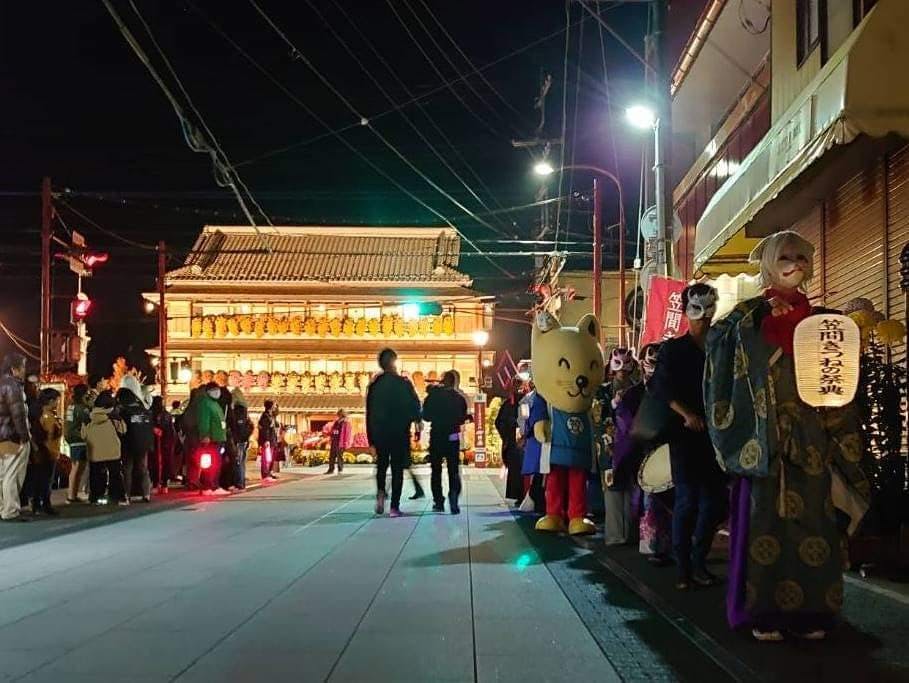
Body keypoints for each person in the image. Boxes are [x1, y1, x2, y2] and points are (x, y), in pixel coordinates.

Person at [706, 231, 870, 642]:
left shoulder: (823, 321)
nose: (794, 263)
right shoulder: (745, 317)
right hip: (762, 440)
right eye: (785, 256)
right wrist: (759, 321)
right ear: (767, 263)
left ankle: (814, 612)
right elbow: (717, 350)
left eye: (801, 256)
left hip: (813, 440)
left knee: (816, 524)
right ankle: (763, 613)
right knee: (764, 524)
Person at [650, 283, 728, 590]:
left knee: (715, 501)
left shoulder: (721, 347)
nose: (704, 317)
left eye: (709, 309)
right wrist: (686, 414)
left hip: (716, 435)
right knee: (688, 500)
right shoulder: (673, 349)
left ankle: (698, 561)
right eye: (697, 309)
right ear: (685, 312)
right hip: (684, 435)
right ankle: (683, 567)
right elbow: (661, 387)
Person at [611, 343, 672, 565]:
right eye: (650, 360)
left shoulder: (670, 390)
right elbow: (624, 422)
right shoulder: (632, 394)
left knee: (669, 499)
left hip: (668, 448)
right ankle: (652, 545)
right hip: (642, 450)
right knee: (649, 497)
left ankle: (670, 545)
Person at [366, 348, 421, 517]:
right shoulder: (403, 383)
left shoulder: (375, 386)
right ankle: (394, 507)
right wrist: (417, 422)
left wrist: (371, 439)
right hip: (399, 432)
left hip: (380, 432)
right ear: (393, 362)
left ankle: (381, 492)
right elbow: (414, 405)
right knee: (397, 469)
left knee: (381, 465)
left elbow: (369, 413)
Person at [600, 349, 639, 545]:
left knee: (633, 491)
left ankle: (631, 534)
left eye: (626, 366)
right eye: (618, 366)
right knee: (613, 490)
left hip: (634, 445)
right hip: (611, 446)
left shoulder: (638, 389)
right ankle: (615, 535)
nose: (622, 370)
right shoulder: (604, 390)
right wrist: (614, 403)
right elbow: (598, 417)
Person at [422, 370, 469, 513]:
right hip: (453, 436)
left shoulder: (433, 396)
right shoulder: (459, 399)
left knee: (436, 470)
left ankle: (438, 502)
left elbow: (426, 416)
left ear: (443, 382)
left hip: (437, 435)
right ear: (454, 383)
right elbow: (462, 418)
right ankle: (453, 498)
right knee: (453, 470)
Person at [0, 354, 32, 522]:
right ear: (14, 369)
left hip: (1, 437)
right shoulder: (13, 386)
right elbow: (18, 414)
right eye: (23, 367)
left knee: (2, 474)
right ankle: (10, 510)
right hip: (12, 436)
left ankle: (2, 508)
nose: (24, 371)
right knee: (13, 474)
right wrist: (24, 437)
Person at [83, 391, 126, 505]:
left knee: (96, 475)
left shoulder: (89, 417)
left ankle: (95, 497)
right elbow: (123, 430)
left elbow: (83, 434)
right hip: (113, 451)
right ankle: (116, 497)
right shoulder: (114, 417)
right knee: (115, 474)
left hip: (94, 451)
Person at [25, 388, 63, 516]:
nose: (58, 402)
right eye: (57, 400)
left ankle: (39, 504)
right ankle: (43, 504)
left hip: (46, 451)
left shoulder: (43, 413)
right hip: (47, 451)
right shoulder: (46, 415)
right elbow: (50, 434)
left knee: (42, 479)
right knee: (45, 480)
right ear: (51, 401)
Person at [117, 376, 154, 504]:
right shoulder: (143, 407)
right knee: (143, 468)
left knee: (127, 469)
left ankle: (126, 495)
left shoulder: (122, 408)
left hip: (128, 442)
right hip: (143, 442)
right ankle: (146, 493)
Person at [495, 377, 526, 504]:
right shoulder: (525, 402)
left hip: (514, 441)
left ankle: (519, 496)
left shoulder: (509, 403)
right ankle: (522, 496)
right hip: (521, 442)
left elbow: (499, 422)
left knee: (517, 469)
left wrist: (506, 435)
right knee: (520, 470)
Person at [196, 382, 227, 495]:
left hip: (218, 437)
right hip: (211, 439)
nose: (217, 392)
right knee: (210, 463)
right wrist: (205, 435)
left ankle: (213, 485)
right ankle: (208, 486)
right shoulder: (205, 404)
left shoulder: (215, 404)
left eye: (217, 390)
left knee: (216, 463)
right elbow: (204, 421)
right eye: (214, 390)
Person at [65, 384, 92, 503]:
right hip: (79, 438)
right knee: (77, 468)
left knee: (76, 467)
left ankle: (73, 494)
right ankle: (71, 495)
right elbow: (89, 419)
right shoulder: (82, 408)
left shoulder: (71, 406)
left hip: (71, 437)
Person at [228, 389, 253, 490]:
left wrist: (238, 439)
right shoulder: (244, 411)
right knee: (240, 462)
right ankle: (240, 482)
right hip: (242, 440)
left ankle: (239, 483)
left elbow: (239, 427)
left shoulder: (239, 411)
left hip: (239, 440)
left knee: (238, 462)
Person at [150, 396, 177, 490]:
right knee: (165, 462)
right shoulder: (167, 414)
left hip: (156, 442)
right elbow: (171, 430)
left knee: (155, 462)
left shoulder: (150, 413)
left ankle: (156, 483)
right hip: (165, 442)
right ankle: (164, 483)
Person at [257, 400, 279, 481]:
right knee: (266, 458)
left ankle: (269, 472)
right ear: (270, 407)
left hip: (272, 440)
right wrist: (266, 440)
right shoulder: (265, 416)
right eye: (274, 405)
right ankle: (265, 475)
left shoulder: (271, 416)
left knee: (270, 458)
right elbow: (265, 429)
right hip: (267, 441)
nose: (275, 407)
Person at [326, 409, 352, 475]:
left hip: (341, 442)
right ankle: (331, 469)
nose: (338, 415)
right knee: (332, 456)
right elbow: (333, 430)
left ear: (342, 414)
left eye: (339, 414)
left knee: (339, 456)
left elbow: (347, 434)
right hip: (334, 441)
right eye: (338, 414)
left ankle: (340, 469)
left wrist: (346, 443)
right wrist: (331, 435)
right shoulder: (336, 422)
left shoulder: (346, 422)